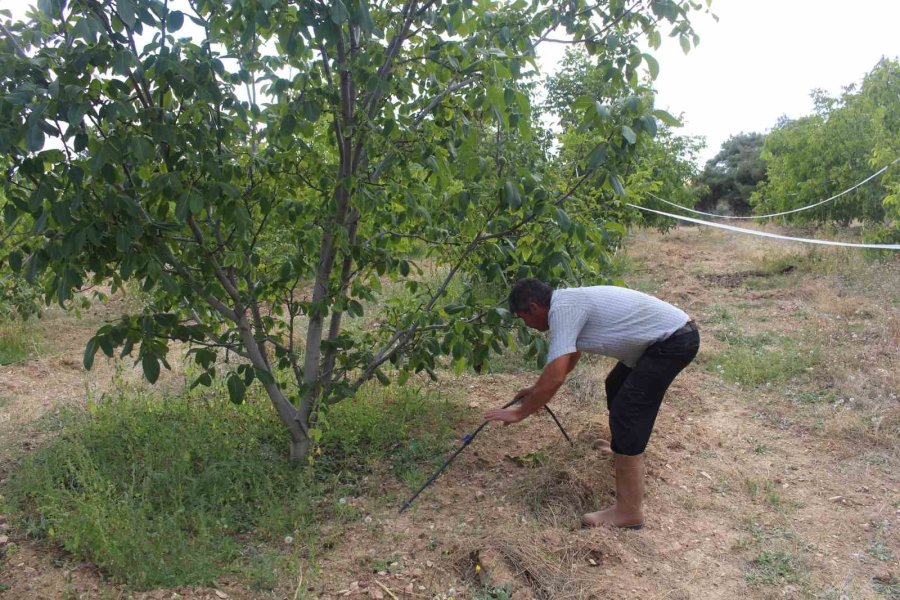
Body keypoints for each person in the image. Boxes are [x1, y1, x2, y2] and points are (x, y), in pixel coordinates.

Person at [484, 278, 700, 529]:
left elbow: (555, 377)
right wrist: (535, 391)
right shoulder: (565, 303)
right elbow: (568, 357)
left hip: (673, 341)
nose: (527, 326)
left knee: (628, 411)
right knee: (616, 385)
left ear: (533, 308)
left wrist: (519, 413)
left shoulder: (563, 310)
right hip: (669, 337)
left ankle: (629, 512)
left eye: (524, 319)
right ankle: (622, 452)